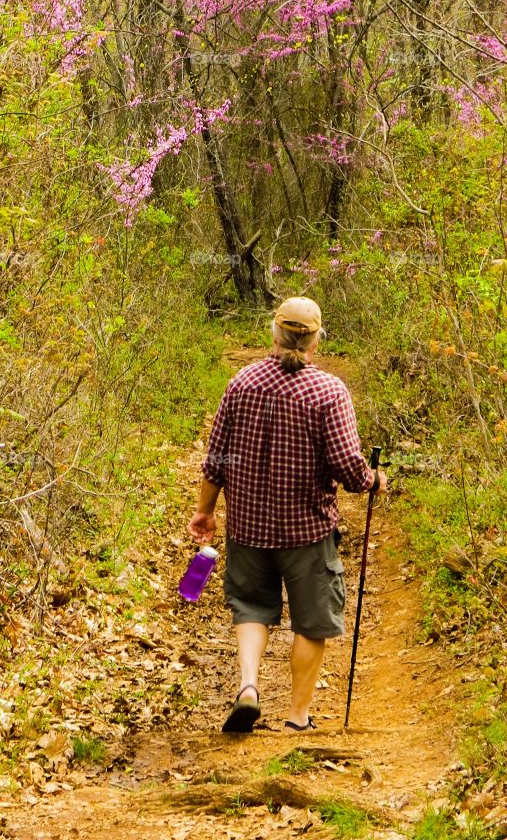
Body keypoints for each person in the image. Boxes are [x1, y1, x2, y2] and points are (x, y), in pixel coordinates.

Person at [187, 295, 387, 733]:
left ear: (274, 333)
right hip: (307, 532)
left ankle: (249, 688)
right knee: (312, 621)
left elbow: (215, 459)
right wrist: (373, 479)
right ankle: (297, 717)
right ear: (315, 340)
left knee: (251, 608)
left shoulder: (240, 384)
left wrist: (206, 512)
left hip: (248, 527)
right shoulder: (329, 392)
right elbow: (348, 469)